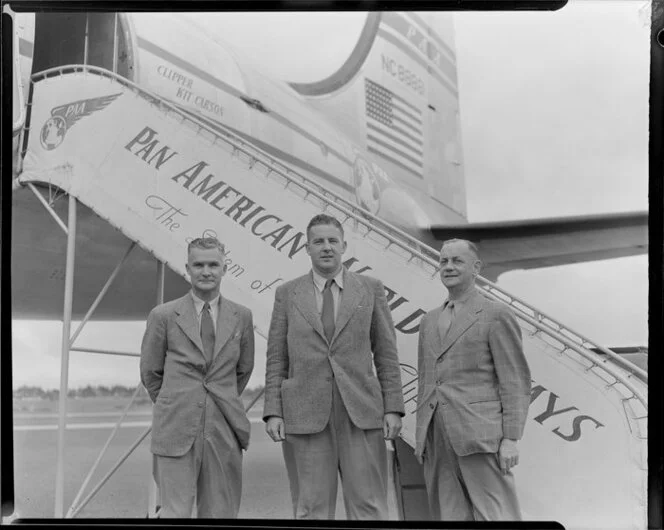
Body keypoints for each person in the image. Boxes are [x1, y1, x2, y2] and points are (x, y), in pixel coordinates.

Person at [263, 213, 405, 520]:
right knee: (311, 509)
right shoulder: (287, 294)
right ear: (308, 248)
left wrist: (393, 406)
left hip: (361, 412)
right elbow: (277, 357)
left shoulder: (370, 289)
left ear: (344, 246)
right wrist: (274, 410)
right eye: (318, 242)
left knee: (369, 507)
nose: (326, 247)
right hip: (305, 414)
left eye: (332, 241)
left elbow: (386, 354)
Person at [414, 238, 531, 521]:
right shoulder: (428, 321)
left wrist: (510, 439)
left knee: (497, 516)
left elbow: (515, 380)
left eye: (457, 261)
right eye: (444, 261)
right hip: (436, 438)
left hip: (480, 436)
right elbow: (426, 381)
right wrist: (423, 438)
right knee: (449, 517)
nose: (448, 267)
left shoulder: (496, 314)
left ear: (476, 268)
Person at [140, 237, 255, 518]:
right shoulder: (163, 315)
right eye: (199, 265)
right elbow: (150, 372)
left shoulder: (242, 316)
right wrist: (176, 401)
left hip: (224, 429)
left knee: (221, 514)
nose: (206, 271)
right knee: (174, 513)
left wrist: (218, 400)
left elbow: (243, 370)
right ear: (188, 269)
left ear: (224, 269)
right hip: (175, 428)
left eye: (213, 264)